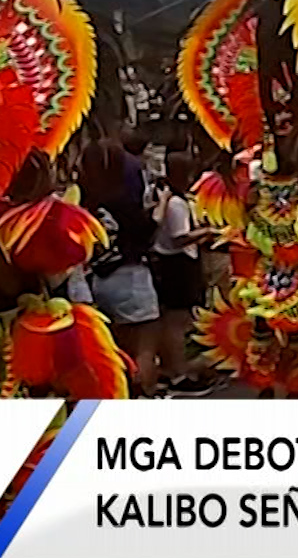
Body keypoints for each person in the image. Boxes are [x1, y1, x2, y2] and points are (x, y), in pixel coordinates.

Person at [80, 137, 163, 394]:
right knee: (145, 347)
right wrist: (161, 206)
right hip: (131, 276)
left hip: (97, 279)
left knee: (115, 351)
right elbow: (147, 230)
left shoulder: (86, 204)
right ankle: (144, 395)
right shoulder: (127, 202)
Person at [151, 148, 220, 396]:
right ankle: (178, 372)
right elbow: (180, 237)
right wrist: (208, 232)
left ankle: (176, 368)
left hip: (177, 264)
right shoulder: (176, 203)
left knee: (176, 321)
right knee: (176, 323)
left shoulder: (173, 198)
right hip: (178, 265)